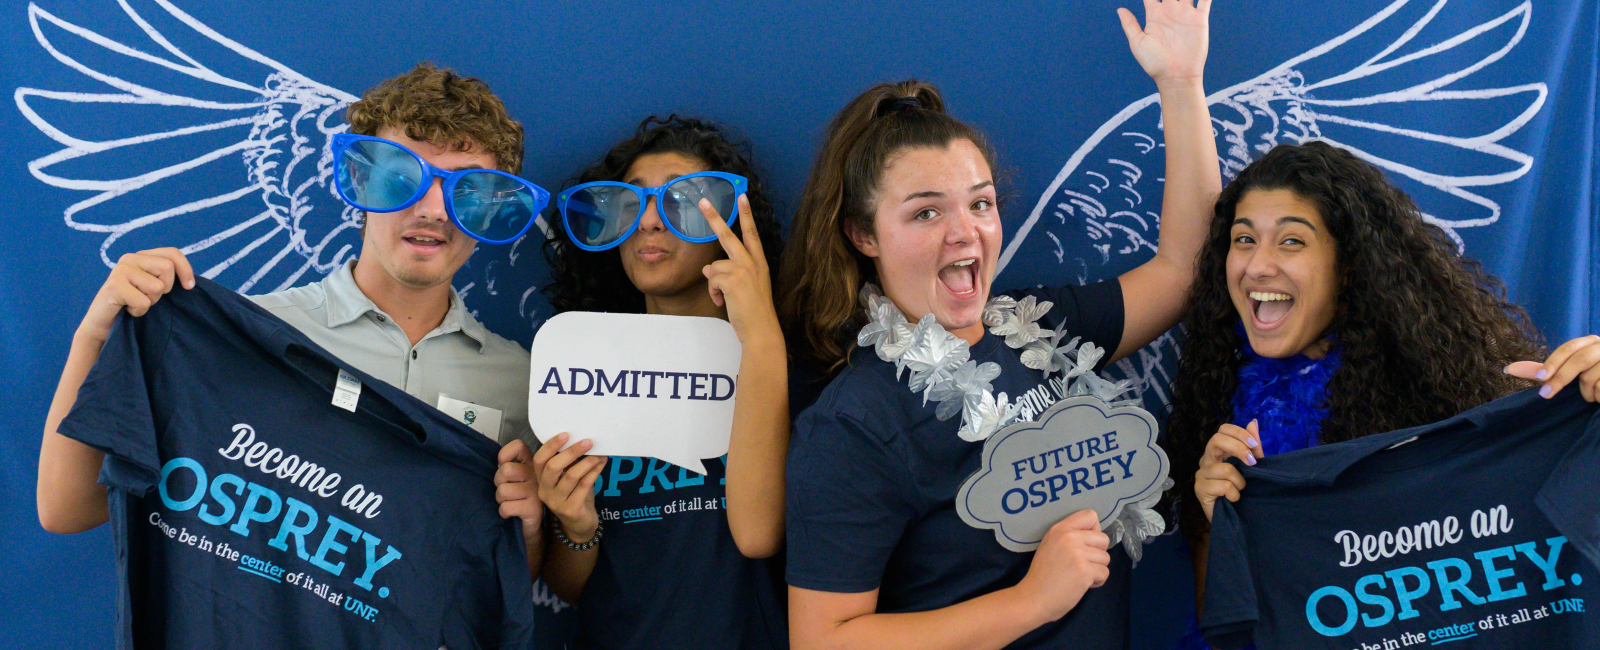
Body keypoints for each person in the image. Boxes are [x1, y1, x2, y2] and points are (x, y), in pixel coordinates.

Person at [775, 2, 1219, 648]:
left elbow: (1182, 272)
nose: (966, 232)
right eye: (926, 214)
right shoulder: (856, 423)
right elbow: (823, 641)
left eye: (980, 203)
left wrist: (1180, 84)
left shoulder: (1042, 328)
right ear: (862, 234)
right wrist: (1031, 602)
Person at [38, 63, 545, 570]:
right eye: (401, 178)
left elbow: (515, 580)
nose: (433, 208)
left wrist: (530, 530)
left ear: (492, 212)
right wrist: (97, 336)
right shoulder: (243, 339)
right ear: (358, 179)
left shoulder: (522, 381)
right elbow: (68, 509)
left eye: (466, 190)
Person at [1164, 140, 1600, 647]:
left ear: (1349, 264)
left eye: (1291, 242)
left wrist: (1583, 408)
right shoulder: (1217, 410)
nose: (1258, 265)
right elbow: (1229, 631)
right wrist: (1224, 528)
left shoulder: (1456, 386)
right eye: (1244, 240)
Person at [492, 115, 791, 649]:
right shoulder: (582, 375)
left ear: (729, 223)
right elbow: (572, 586)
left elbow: (759, 536)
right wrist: (576, 528)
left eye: (682, 202)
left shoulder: (780, 369)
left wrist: (761, 335)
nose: (650, 222)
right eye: (630, 204)